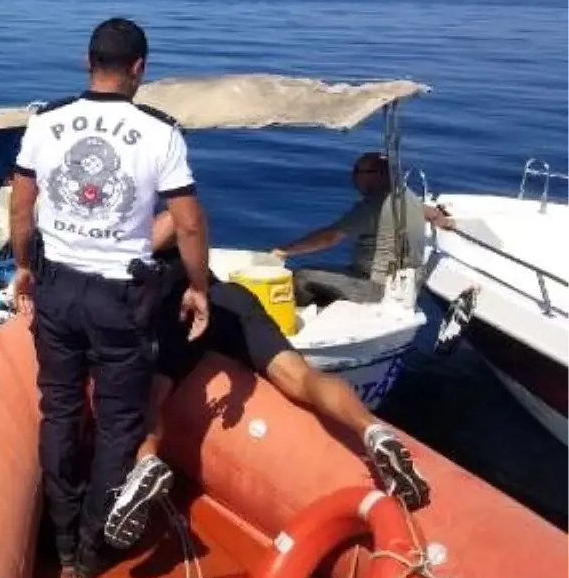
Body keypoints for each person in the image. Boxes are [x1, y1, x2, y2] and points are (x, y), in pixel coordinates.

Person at [9, 17, 211, 578]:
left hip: (56, 288)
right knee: (120, 424)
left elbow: (21, 210)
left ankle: (63, 538)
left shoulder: (44, 122)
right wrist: (197, 286)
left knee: (61, 410)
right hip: (120, 300)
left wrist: (24, 268)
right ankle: (93, 552)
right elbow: (189, 225)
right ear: (140, 68)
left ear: (86, 59)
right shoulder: (159, 132)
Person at [102, 209, 431, 551]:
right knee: (301, 375)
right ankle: (372, 429)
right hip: (230, 299)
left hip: (182, 313)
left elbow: (169, 221)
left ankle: (147, 464)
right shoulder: (160, 224)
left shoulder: (117, 246)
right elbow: (181, 219)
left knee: (151, 397)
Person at [271, 152, 455, 306]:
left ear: (376, 175)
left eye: (358, 171)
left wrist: (285, 251)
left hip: (375, 288)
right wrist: (442, 220)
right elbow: (429, 212)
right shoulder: (407, 196)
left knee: (302, 277)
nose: (353, 176)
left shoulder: (373, 206)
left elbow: (329, 238)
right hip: (407, 287)